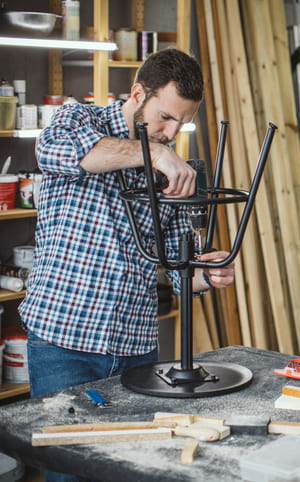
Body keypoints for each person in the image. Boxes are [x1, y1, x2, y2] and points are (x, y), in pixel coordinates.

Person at [20, 48, 234, 401]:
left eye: (182, 122)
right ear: (137, 94)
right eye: (165, 117)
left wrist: (204, 274)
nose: (172, 132)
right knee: (61, 454)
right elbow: (56, 152)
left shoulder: (169, 164)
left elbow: (177, 265)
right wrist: (155, 153)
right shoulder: (78, 120)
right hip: (64, 344)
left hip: (137, 347)